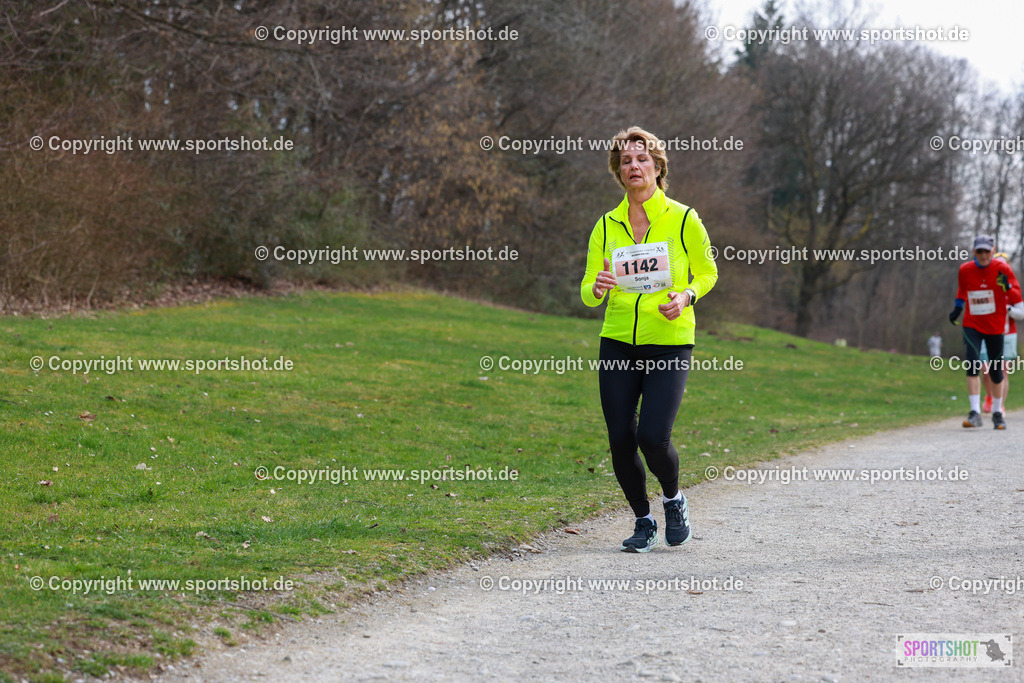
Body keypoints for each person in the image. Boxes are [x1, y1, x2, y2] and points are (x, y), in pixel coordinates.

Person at [580, 126, 718, 552]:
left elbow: (708, 272)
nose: (634, 167)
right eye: (625, 161)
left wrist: (687, 295)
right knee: (620, 438)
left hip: (670, 341)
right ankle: (643, 519)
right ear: (618, 173)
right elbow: (587, 290)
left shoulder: (684, 218)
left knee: (653, 436)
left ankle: (673, 500)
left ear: (658, 168)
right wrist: (598, 287)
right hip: (618, 340)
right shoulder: (606, 225)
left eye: (642, 159)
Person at [949, 236, 1024, 429]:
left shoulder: (1003, 269)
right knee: (973, 363)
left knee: (996, 371)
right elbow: (962, 290)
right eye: (979, 251)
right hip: (972, 323)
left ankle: (998, 413)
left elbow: (1016, 296)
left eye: (986, 252)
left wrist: (1006, 286)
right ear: (974, 252)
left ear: (993, 251)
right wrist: (958, 308)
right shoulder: (965, 270)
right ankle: (974, 412)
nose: (983, 255)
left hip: (995, 325)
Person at [980, 253, 1018, 412]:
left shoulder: (1012, 287)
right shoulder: (986, 285)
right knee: (985, 369)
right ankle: (989, 396)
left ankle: (999, 404)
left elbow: (1021, 312)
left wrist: (1008, 309)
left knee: (1003, 371)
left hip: (1008, 334)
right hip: (986, 331)